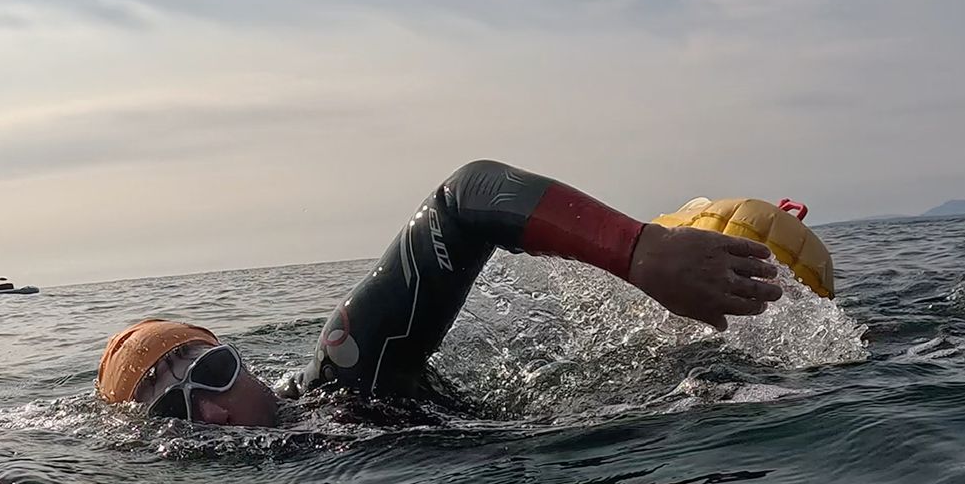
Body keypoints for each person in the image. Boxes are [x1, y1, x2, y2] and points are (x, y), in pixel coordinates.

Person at [96, 159, 786, 427]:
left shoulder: (347, 373)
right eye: (176, 413)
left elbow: (467, 196)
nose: (213, 413)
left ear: (239, 360)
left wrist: (643, 251)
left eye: (211, 374)